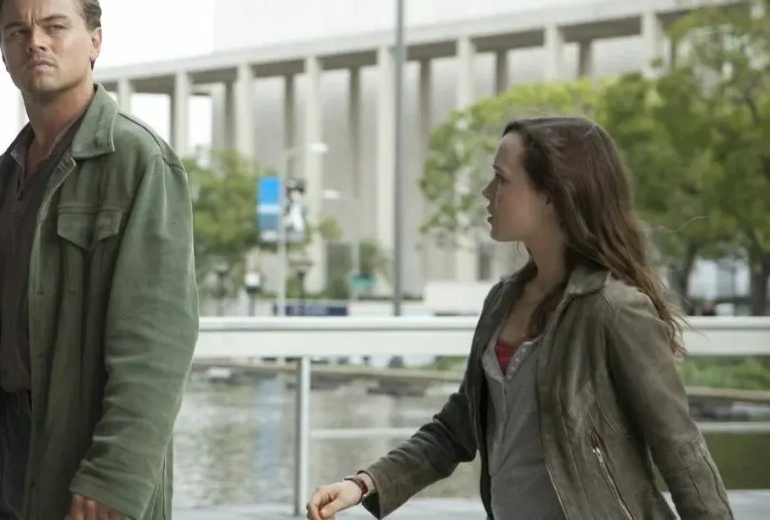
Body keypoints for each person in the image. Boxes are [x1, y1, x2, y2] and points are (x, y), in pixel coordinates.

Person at [306, 117, 733, 520]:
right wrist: (363, 484)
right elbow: (457, 427)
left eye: (501, 179)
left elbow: (681, 451)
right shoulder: (502, 301)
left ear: (552, 194)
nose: (487, 192)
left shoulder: (614, 309)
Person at [0, 0, 199, 520]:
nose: (36, 42)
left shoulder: (138, 161)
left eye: (55, 26)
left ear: (94, 41)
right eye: (17, 31)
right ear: (3, 52)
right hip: (2, 439)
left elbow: (157, 341)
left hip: (83, 449)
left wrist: (114, 476)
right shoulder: (1, 181)